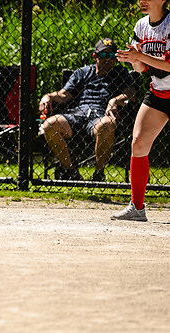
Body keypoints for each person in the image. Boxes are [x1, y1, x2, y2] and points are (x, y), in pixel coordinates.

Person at [39, 38, 136, 181]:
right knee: (50, 124)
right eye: (103, 55)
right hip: (78, 114)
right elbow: (64, 95)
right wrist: (47, 97)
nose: (108, 60)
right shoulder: (82, 72)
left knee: (107, 124)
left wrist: (115, 100)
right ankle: (70, 170)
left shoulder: (121, 73)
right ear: (95, 56)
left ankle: (99, 174)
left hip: (102, 116)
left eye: (112, 56)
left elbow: (131, 94)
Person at [112, 0, 170, 221]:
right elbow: (141, 68)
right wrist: (132, 58)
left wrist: (140, 56)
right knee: (138, 143)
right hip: (159, 93)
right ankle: (137, 207)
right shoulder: (141, 26)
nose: (141, 1)